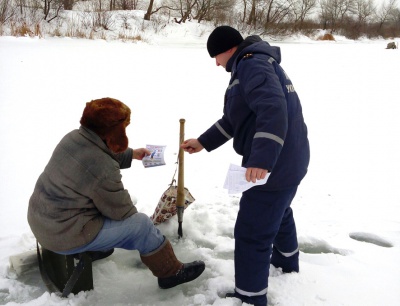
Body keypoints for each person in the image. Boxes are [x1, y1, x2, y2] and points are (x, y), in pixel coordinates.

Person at [181, 26, 310, 306]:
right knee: (279, 209)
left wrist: (261, 160)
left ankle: (250, 298)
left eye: (216, 56)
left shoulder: (251, 65)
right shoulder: (255, 62)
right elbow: (236, 118)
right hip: (290, 159)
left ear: (229, 49)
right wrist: (203, 141)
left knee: (253, 230)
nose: (216, 63)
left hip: (275, 162)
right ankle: (287, 263)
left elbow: (272, 109)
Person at [28, 97, 205, 290]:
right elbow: (120, 211)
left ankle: (94, 248)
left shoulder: (73, 138)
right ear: (115, 132)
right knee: (141, 225)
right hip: (65, 233)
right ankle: (170, 273)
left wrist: (131, 154)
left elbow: (97, 151)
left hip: (43, 221)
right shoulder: (102, 167)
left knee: (100, 207)